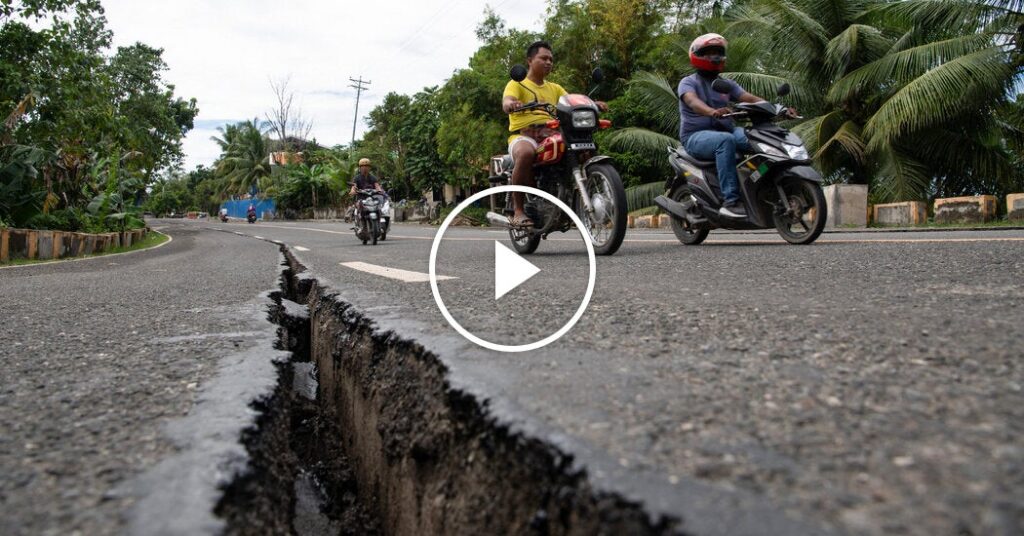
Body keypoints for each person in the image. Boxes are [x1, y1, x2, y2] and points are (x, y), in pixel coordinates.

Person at [502, 40, 606, 227]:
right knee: (525, 153)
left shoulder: (555, 88)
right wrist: (511, 104)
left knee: (584, 151)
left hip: (553, 133)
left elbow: (571, 102)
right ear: (530, 61)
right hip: (525, 136)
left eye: (551, 59)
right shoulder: (518, 84)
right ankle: (518, 211)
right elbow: (507, 101)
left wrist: (591, 104)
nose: (548, 62)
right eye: (543, 58)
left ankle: (576, 198)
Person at [678, 33, 775, 219]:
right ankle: (730, 201)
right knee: (726, 141)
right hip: (695, 136)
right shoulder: (688, 82)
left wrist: (775, 108)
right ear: (697, 55)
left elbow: (749, 98)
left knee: (759, 137)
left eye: (717, 52)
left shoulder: (726, 84)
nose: (714, 57)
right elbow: (692, 102)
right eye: (709, 53)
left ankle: (760, 187)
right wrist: (710, 111)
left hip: (726, 129)